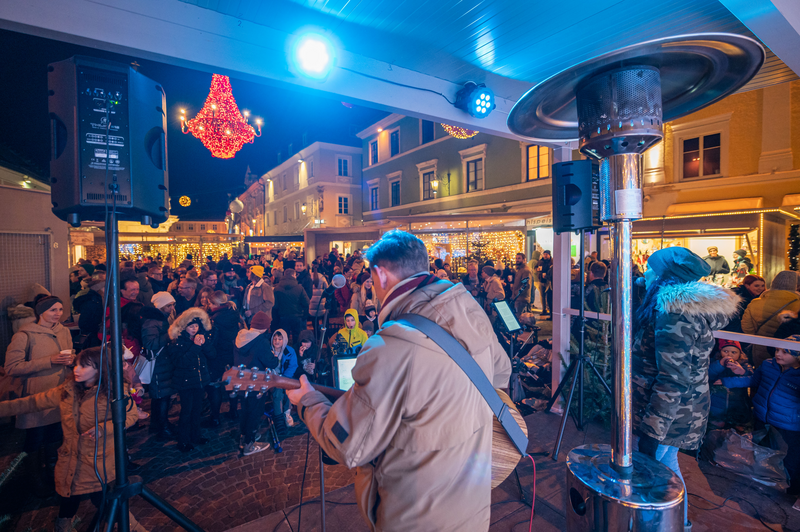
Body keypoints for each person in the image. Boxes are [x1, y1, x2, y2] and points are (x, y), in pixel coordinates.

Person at [287, 230, 511, 532]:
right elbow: (501, 373)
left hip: (416, 515)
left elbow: (349, 446)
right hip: (474, 501)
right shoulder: (470, 310)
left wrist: (307, 402)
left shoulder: (389, 345)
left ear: (380, 275)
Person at [632, 247, 740, 531]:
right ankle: (678, 522)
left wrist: (652, 431)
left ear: (667, 275)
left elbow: (673, 377)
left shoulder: (675, 313)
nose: (646, 272)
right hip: (680, 409)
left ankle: (659, 525)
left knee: (651, 474)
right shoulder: (677, 307)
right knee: (666, 467)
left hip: (671, 412)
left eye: (651, 268)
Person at [0, 347, 142, 532]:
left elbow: (130, 416)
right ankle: (64, 524)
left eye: (83, 366)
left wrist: (102, 429)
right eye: (76, 365)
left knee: (102, 497)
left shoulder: (113, 392)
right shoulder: (68, 390)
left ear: (99, 368)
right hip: (71, 459)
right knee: (70, 496)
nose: (76, 369)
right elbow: (33, 402)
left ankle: (127, 525)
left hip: (98, 461)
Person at [4, 296, 73, 497]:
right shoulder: (24, 335)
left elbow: (70, 356)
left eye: (60, 309)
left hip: (60, 392)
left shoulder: (64, 331)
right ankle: (33, 480)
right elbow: (11, 367)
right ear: (40, 312)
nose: (58, 313)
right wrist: (49, 360)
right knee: (35, 437)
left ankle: (54, 476)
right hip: (37, 395)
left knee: (55, 436)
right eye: (53, 310)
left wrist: (72, 361)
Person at [750, 335, 800, 494]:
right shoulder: (768, 365)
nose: (778, 354)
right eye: (777, 349)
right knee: (761, 452)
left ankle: (788, 491)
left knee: (789, 459)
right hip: (762, 418)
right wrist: (727, 381)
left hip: (788, 425)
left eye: (785, 352)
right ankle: (760, 483)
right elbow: (753, 382)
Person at [168, 308, 215, 452]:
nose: (194, 329)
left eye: (196, 326)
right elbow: (181, 362)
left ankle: (196, 436)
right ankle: (183, 440)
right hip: (186, 382)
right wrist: (195, 347)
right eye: (191, 326)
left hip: (200, 381)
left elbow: (212, 355)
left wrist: (205, 343)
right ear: (184, 327)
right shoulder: (178, 342)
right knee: (186, 412)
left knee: (197, 410)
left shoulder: (200, 337)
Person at [233, 311, 275, 455]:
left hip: (242, 380)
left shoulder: (240, 337)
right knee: (255, 412)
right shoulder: (261, 341)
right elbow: (271, 362)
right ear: (265, 327)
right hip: (256, 383)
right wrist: (274, 355)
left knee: (245, 410)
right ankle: (249, 444)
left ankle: (244, 436)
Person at [741, 271, 800, 367]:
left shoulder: (755, 303)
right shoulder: (798, 304)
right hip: (789, 354)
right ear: (795, 285)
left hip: (759, 349)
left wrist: (758, 338)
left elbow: (746, 327)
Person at [141, 291, 176, 441]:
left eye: (173, 304)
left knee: (161, 396)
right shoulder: (152, 322)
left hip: (164, 362)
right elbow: (150, 343)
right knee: (162, 396)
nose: (172, 308)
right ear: (161, 306)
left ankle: (159, 424)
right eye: (169, 305)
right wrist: (169, 335)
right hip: (158, 363)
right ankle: (163, 428)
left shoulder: (161, 319)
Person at [205, 291, 241, 427]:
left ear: (214, 303)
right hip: (232, 354)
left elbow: (213, 339)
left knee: (214, 385)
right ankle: (233, 411)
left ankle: (215, 417)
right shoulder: (233, 313)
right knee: (232, 383)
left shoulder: (215, 319)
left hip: (218, 355)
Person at [707, 340, 753, 429]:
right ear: (720, 352)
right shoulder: (714, 362)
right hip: (716, 404)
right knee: (715, 430)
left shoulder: (745, 365)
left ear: (740, 354)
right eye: (725, 351)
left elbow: (752, 379)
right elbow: (708, 374)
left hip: (737, 406)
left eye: (733, 352)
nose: (729, 355)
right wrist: (719, 365)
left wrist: (743, 372)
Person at [273, 268, 310, 344]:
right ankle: (297, 353)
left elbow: (275, 305)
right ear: (293, 275)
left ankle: (284, 353)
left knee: (284, 337)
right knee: (297, 337)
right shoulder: (299, 288)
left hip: (283, 316)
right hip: (297, 316)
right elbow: (306, 302)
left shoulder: (277, 288)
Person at [272, 329, 299, 428]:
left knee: (289, 390)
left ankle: (287, 413)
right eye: (275, 339)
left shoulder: (289, 351)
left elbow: (293, 365)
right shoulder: (270, 351)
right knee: (278, 393)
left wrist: (284, 379)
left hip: (286, 376)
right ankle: (278, 416)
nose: (277, 341)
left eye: (280, 339)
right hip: (273, 377)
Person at [537, 250, 553, 315]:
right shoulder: (540, 261)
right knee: (542, 296)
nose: (545, 255)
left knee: (549, 296)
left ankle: (550, 310)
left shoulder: (552, 261)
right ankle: (544, 309)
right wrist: (537, 270)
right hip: (541, 280)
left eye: (546, 254)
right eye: (544, 254)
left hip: (548, 281)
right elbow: (536, 267)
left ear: (549, 255)